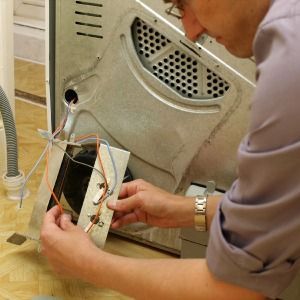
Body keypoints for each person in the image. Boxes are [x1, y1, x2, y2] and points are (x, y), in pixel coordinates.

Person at [40, 0, 300, 299]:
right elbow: (283, 207)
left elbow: (234, 290)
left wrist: (87, 263)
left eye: (185, 3)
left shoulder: (291, 63)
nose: (190, 32)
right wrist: (187, 209)